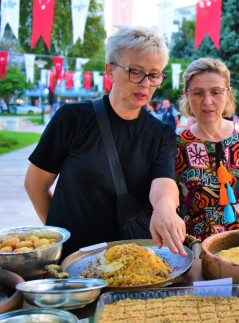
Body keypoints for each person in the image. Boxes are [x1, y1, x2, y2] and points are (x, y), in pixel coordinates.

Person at [24, 25, 186, 259]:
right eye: (135, 71)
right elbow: (35, 184)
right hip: (71, 259)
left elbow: (163, 183)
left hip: (128, 259)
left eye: (154, 74)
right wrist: (58, 236)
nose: (145, 83)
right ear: (110, 71)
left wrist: (165, 207)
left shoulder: (161, 133)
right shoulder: (72, 118)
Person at [176, 58, 239, 241]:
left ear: (228, 93)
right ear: (187, 94)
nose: (208, 101)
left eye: (216, 92)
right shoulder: (177, 145)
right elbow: (172, 210)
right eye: (198, 93)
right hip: (200, 254)